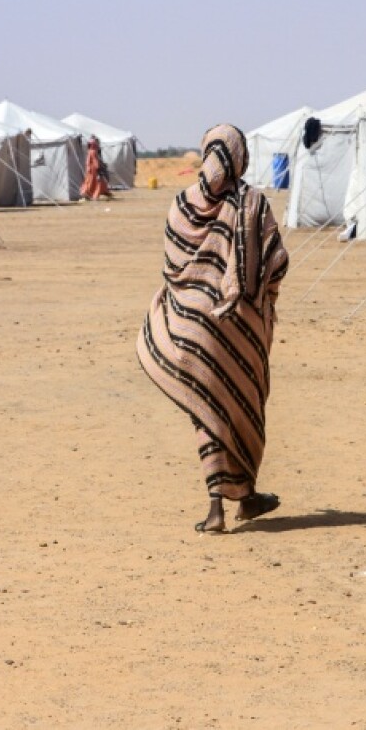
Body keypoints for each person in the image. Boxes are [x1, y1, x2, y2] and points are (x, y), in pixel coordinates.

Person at [136, 124, 289, 533]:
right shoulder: (254, 203)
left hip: (190, 330)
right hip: (240, 327)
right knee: (240, 406)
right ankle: (247, 494)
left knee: (208, 413)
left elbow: (171, 268)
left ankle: (218, 506)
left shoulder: (182, 205)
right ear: (240, 159)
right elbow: (276, 262)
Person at [80, 135, 112, 200]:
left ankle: (89, 194)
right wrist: (99, 168)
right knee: (95, 182)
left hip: (91, 170)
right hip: (93, 170)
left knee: (91, 182)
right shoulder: (93, 152)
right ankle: (90, 194)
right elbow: (95, 161)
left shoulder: (90, 152)